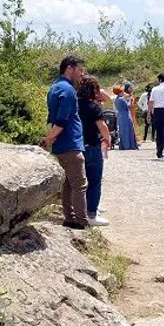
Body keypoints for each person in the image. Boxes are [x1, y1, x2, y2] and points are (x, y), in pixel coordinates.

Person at [42, 55, 89, 230]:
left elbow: (52, 118)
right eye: (79, 70)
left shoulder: (54, 88)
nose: (81, 74)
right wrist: (49, 138)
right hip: (71, 143)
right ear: (69, 68)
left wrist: (51, 138)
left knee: (68, 184)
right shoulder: (68, 90)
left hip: (61, 145)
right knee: (80, 184)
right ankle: (81, 222)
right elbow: (62, 120)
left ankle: (69, 218)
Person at [77, 76, 110, 227]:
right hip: (92, 146)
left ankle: (80, 211)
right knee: (95, 181)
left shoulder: (74, 104)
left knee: (78, 182)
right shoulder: (93, 106)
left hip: (76, 147)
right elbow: (102, 125)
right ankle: (91, 213)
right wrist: (107, 139)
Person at [114, 82, 139, 150]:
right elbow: (128, 106)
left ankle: (124, 145)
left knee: (123, 131)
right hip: (126, 115)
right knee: (129, 130)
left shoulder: (116, 99)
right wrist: (131, 100)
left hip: (120, 116)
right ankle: (129, 145)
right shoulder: (122, 99)